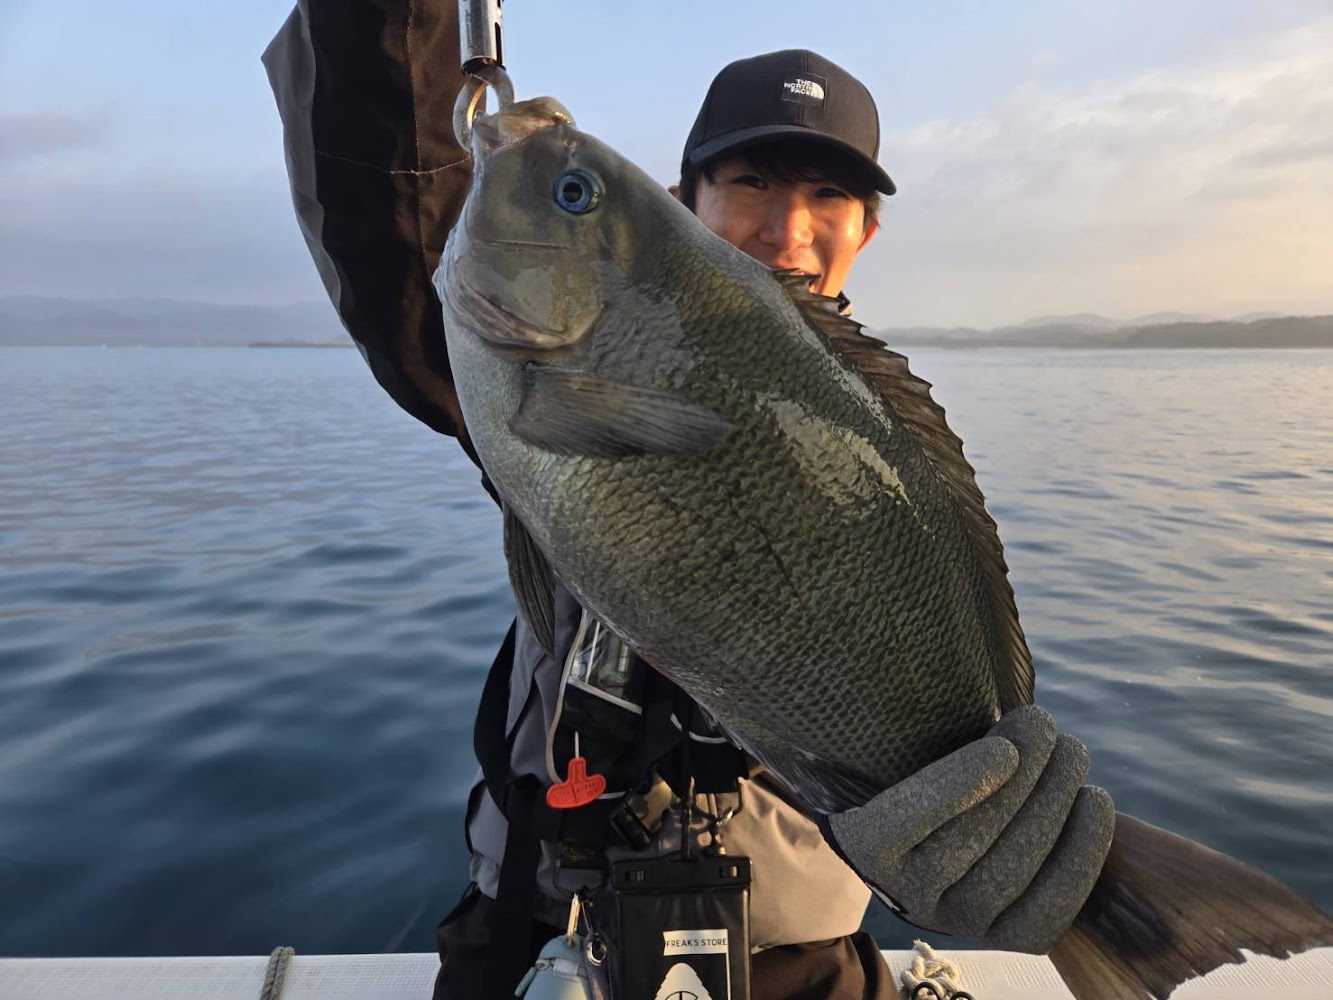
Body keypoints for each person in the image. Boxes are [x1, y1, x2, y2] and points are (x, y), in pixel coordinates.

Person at [264, 6, 1114, 999]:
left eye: (827, 194)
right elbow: (388, 199)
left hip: (803, 965)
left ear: (866, 230)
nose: (785, 229)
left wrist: (980, 853)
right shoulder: (536, 366)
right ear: (682, 201)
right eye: (750, 182)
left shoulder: (877, 448)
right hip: (538, 933)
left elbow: (937, 729)